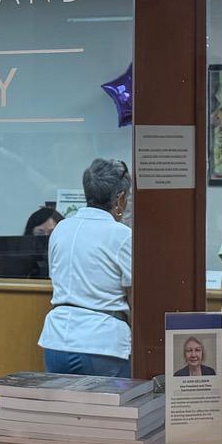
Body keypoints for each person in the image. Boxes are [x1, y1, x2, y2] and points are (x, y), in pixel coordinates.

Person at [39, 158, 133, 378]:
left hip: (56, 342)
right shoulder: (122, 235)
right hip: (102, 345)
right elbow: (134, 297)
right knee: (107, 413)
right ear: (119, 199)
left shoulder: (61, 229)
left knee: (65, 412)